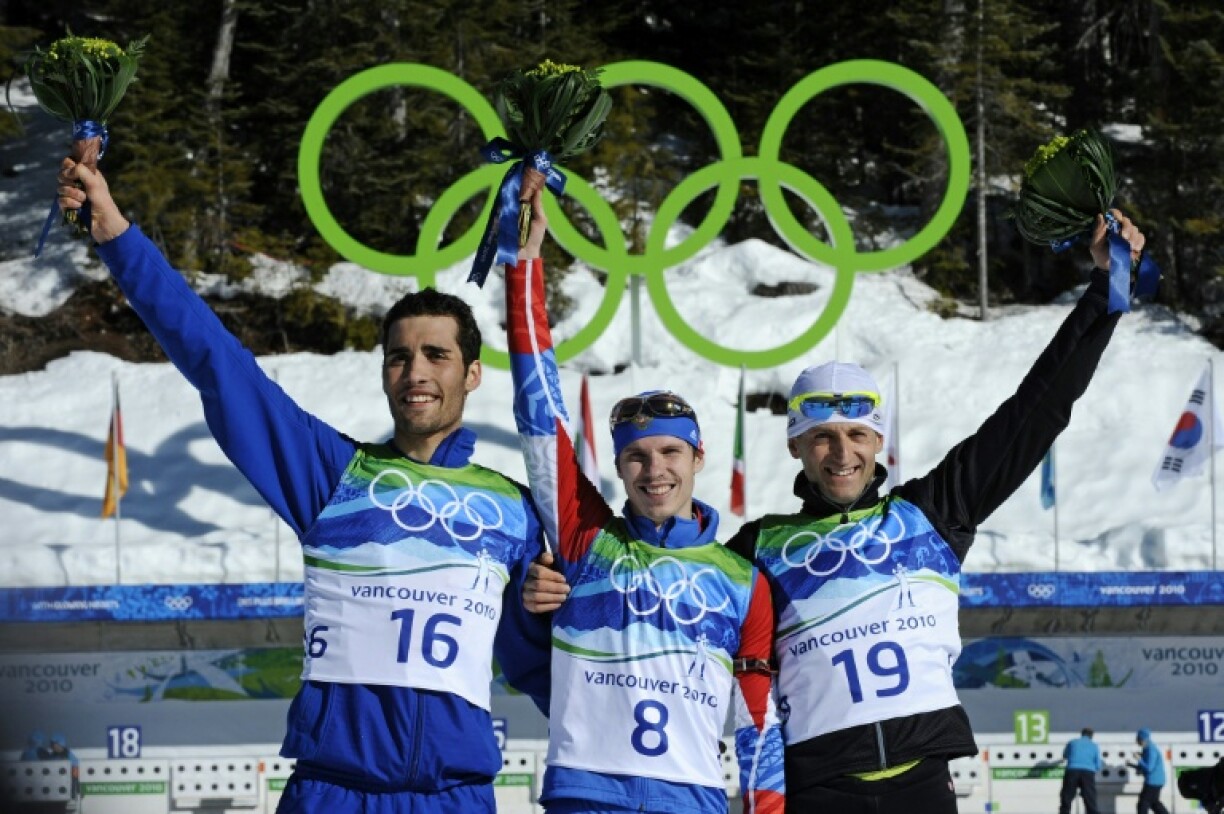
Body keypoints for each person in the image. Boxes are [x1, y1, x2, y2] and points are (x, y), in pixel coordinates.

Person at [526, 210, 1148, 814]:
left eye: (856, 434)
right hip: (816, 788)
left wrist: (1102, 291)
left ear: (881, 442)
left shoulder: (931, 514)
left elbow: (1037, 410)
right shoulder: (756, 552)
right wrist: (556, 586)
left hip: (922, 783)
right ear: (796, 446)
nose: (840, 452)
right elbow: (658, 592)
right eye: (821, 436)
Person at [57, 160, 550, 814]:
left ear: (474, 374)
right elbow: (216, 362)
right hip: (330, 792)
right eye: (399, 356)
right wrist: (116, 234)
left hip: (452, 797)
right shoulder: (334, 475)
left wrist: (547, 609)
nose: (415, 372)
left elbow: (541, 667)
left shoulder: (513, 510)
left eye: (437, 355)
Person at [505, 192, 784, 813]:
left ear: (697, 458)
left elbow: (759, 723)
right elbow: (537, 412)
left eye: (670, 454)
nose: (653, 471)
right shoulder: (585, 539)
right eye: (636, 457)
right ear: (620, 466)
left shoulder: (742, 583)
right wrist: (523, 266)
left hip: (692, 802)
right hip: (585, 797)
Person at [1060, 727, 1101, 814]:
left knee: (1067, 796)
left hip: (1072, 770)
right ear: (1091, 736)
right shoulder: (1094, 745)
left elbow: (1065, 755)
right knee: (1089, 798)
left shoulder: (1072, 742)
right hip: (1088, 772)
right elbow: (1098, 764)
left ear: (1082, 734)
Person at [1129, 728, 1170, 814]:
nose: (1137, 742)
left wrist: (1139, 759)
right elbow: (1145, 767)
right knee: (1154, 803)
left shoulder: (1151, 749)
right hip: (1156, 781)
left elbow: (1149, 768)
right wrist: (1132, 765)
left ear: (1142, 739)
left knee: (1143, 804)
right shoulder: (1147, 748)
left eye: (1138, 739)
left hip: (1153, 781)